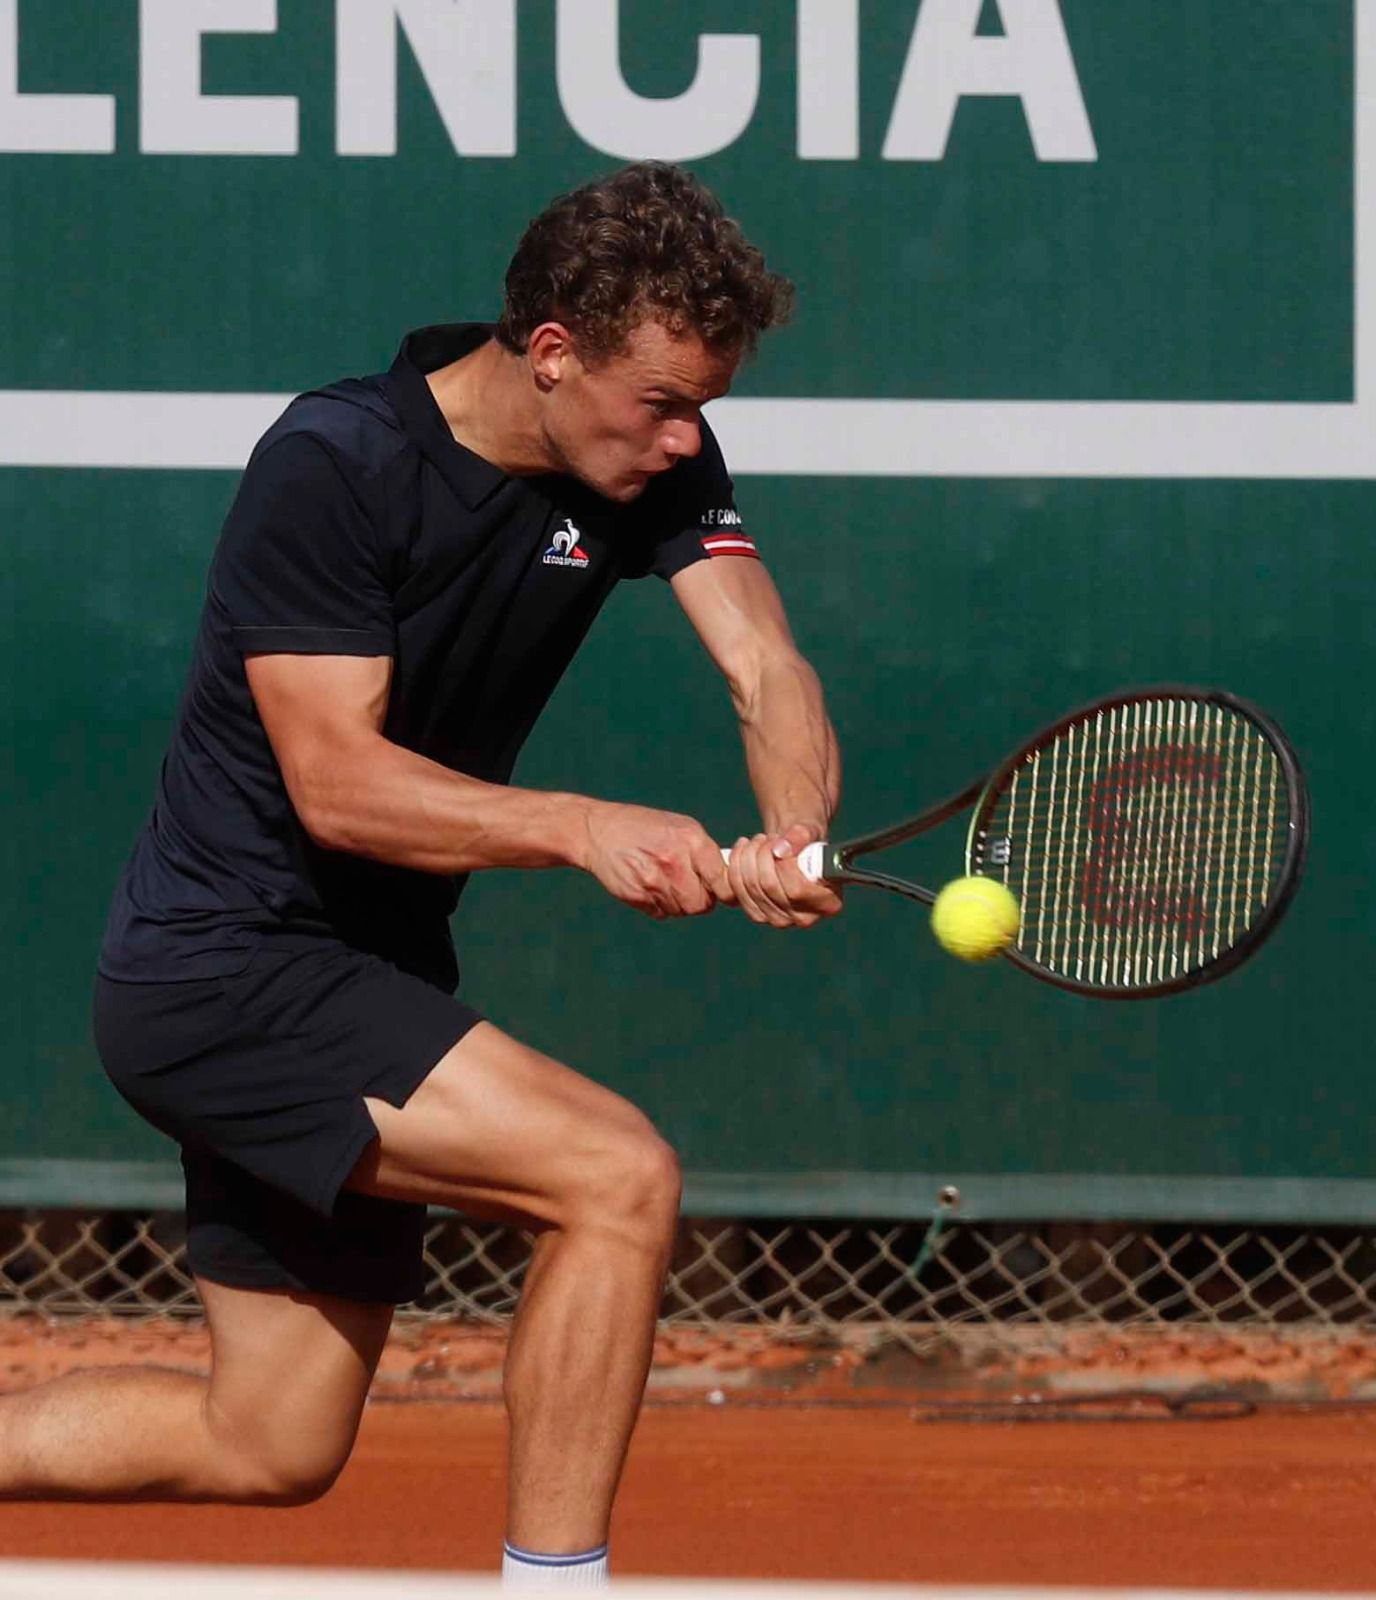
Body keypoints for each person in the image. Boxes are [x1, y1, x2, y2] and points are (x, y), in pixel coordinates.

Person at [0, 162, 841, 1587]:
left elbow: (764, 663)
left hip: (363, 974)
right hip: (227, 965)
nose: (687, 437)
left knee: (266, 1441)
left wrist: (796, 832)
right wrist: (580, 827)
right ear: (555, 353)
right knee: (616, 1178)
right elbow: (338, 783)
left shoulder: (651, 455)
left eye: (706, 404)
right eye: (663, 401)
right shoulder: (336, 464)